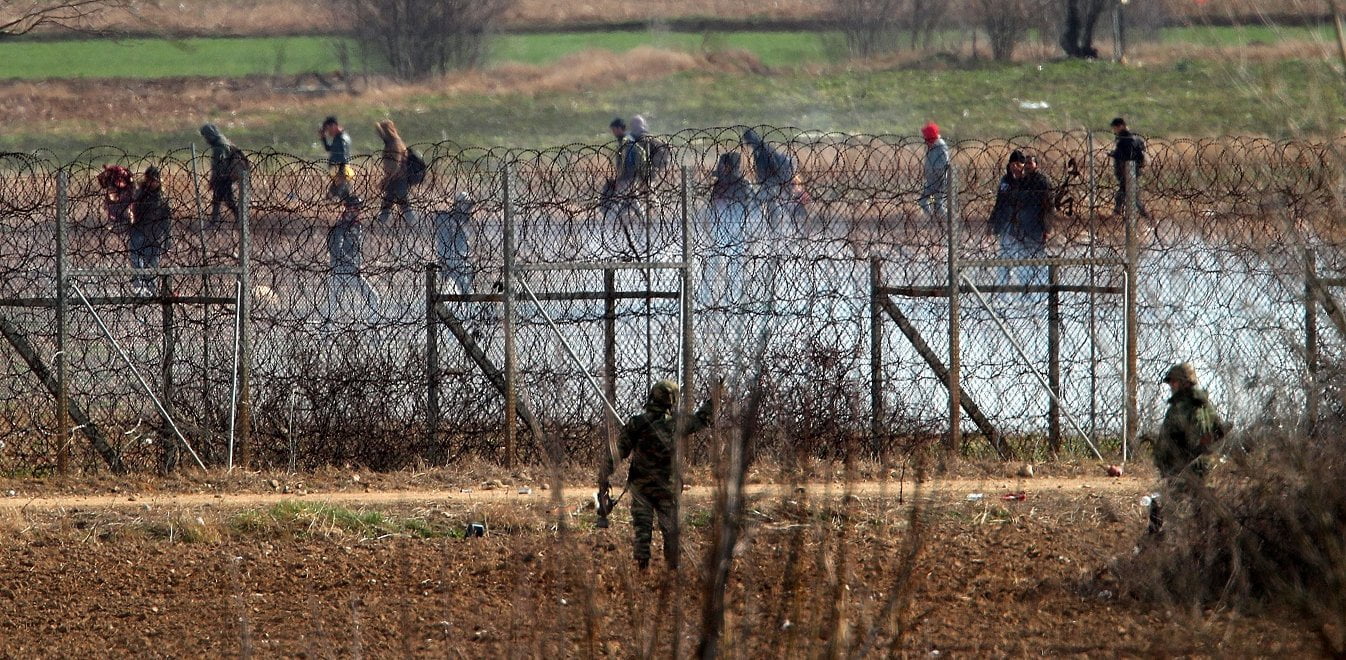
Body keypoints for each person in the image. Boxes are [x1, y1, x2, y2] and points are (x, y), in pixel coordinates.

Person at [599, 379, 715, 570]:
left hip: (641, 487)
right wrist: (714, 400)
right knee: (671, 530)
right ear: (672, 401)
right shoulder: (677, 424)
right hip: (667, 488)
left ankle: (642, 567)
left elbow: (619, 451)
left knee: (642, 530)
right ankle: (672, 570)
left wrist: (604, 473)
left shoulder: (637, 423)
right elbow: (702, 419)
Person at [1147, 363, 1226, 534]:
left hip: (1184, 468)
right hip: (1199, 467)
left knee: (1164, 507)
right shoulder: (1204, 405)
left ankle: (1158, 543)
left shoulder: (1182, 407)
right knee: (1197, 507)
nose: (1171, 386)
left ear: (1183, 383)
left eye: (1173, 382)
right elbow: (1219, 430)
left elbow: (1179, 439)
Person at [989, 150, 1053, 287]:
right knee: (1006, 259)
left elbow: (1046, 207)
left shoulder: (1032, 182)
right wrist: (993, 223)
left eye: (1018, 164)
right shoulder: (1006, 181)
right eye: (1013, 164)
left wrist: (1046, 227)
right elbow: (999, 202)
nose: (1015, 167)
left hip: (1031, 228)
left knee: (1030, 260)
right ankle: (1004, 289)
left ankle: (1034, 289)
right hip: (1009, 227)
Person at [706, 151, 755, 305]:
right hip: (727, 231)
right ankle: (724, 297)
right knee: (726, 267)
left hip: (731, 232)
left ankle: (724, 298)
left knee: (729, 268)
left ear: (727, 166)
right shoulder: (740, 185)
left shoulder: (724, 185)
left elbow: (750, 211)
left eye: (722, 165)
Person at [325, 195, 380, 330]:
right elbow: (336, 251)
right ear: (347, 208)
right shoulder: (340, 227)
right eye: (354, 207)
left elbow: (355, 250)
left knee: (332, 307)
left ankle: (326, 332)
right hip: (342, 271)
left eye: (359, 208)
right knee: (373, 298)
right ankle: (371, 328)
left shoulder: (357, 226)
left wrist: (360, 263)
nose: (357, 211)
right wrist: (353, 265)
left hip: (350, 271)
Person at [742, 128, 803, 231]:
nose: (747, 144)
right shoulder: (760, 149)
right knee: (771, 203)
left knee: (765, 203)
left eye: (748, 141)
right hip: (771, 182)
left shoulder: (763, 150)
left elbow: (773, 166)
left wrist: (773, 181)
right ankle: (773, 228)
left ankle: (772, 229)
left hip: (772, 182)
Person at [130, 166, 173, 295]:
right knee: (136, 260)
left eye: (154, 180)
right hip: (139, 230)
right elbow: (133, 209)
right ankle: (138, 287)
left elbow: (167, 220)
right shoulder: (140, 193)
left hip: (155, 235)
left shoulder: (162, 197)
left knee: (152, 263)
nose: (152, 183)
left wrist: (167, 239)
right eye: (150, 180)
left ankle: (151, 289)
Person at [199, 123, 242, 225]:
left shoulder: (218, 147)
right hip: (226, 176)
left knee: (227, 200)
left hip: (223, 177)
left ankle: (240, 219)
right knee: (218, 199)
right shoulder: (223, 141)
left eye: (205, 136)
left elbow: (218, 166)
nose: (205, 139)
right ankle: (216, 220)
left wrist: (214, 179)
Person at [374, 119, 414, 225]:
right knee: (389, 200)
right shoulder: (392, 142)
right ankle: (382, 220)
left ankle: (414, 221)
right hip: (395, 177)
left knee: (403, 201)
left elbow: (395, 164)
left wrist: (387, 179)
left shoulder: (394, 143)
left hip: (398, 178)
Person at [1109, 117, 1151, 219]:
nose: (1114, 130)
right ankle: (1119, 212)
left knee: (1130, 195)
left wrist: (1114, 154)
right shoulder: (1134, 138)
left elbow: (1125, 155)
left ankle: (1145, 217)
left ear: (1121, 126)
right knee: (1127, 194)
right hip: (1132, 170)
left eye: (1115, 128)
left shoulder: (1125, 139)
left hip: (1127, 171)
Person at [435, 192, 474, 295]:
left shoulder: (465, 222)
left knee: (463, 292)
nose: (469, 209)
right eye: (466, 205)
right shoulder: (446, 219)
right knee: (449, 292)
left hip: (461, 261)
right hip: (451, 261)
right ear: (459, 204)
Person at [918, 122, 950, 219]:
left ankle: (949, 219)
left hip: (939, 181)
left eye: (926, 137)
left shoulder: (940, 146)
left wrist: (940, 178)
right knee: (924, 201)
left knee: (938, 204)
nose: (924, 139)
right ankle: (932, 217)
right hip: (931, 181)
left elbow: (945, 163)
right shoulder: (930, 146)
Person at [321, 116, 353, 201]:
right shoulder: (338, 137)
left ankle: (351, 207)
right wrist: (323, 138)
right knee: (334, 193)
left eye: (328, 129)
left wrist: (341, 171)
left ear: (334, 126)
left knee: (342, 193)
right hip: (337, 169)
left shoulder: (342, 138)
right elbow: (329, 148)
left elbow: (343, 155)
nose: (328, 132)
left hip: (340, 169)